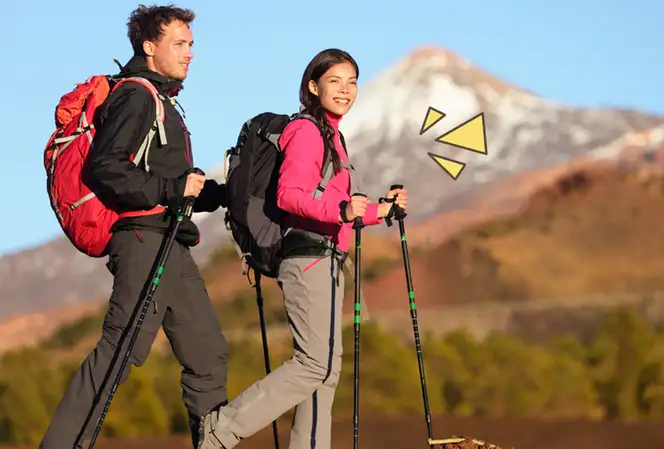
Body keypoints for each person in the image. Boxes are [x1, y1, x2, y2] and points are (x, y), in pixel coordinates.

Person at [196, 48, 408, 449]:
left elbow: (337, 210)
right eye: (335, 81)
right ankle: (220, 431)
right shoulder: (307, 131)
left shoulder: (333, 137)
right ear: (313, 86)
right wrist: (342, 209)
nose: (345, 90)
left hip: (326, 258)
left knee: (325, 370)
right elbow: (291, 195)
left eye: (352, 82)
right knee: (314, 363)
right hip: (308, 259)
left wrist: (383, 209)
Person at [39, 5, 229, 449]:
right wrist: (172, 186)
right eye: (179, 44)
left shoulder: (164, 101)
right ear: (149, 46)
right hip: (143, 238)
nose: (189, 53)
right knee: (122, 347)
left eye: (191, 44)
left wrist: (223, 193)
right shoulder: (137, 95)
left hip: (172, 241)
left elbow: (174, 186)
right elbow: (106, 168)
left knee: (207, 352)